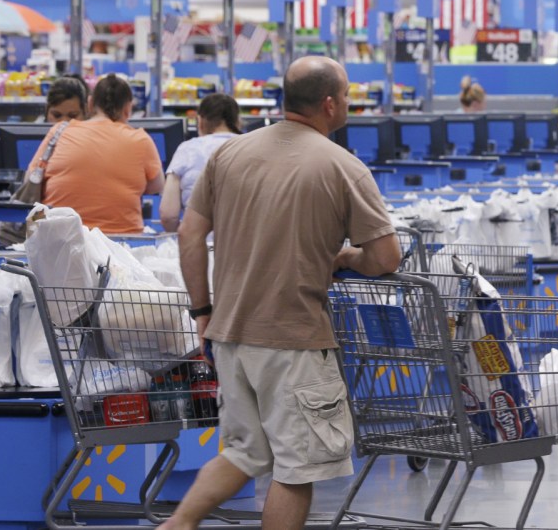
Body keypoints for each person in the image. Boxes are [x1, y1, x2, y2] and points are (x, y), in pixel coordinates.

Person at [160, 56, 401, 530]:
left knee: (247, 452)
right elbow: (386, 258)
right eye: (348, 95)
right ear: (330, 104)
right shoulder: (342, 167)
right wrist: (348, 257)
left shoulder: (228, 156)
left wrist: (203, 310)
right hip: (294, 338)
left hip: (231, 333)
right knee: (298, 468)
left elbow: (189, 235)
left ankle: (177, 524)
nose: (349, 102)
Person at [26, 73, 164, 233]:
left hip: (60, 241)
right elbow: (157, 186)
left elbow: (30, 178)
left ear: (90, 104)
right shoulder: (140, 139)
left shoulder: (59, 131)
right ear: (128, 109)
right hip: (122, 246)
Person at [159, 93, 241, 232]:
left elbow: (168, 215)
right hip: (243, 246)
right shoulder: (252, 147)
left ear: (200, 122)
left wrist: (183, 237)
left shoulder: (187, 149)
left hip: (199, 244)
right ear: (238, 122)